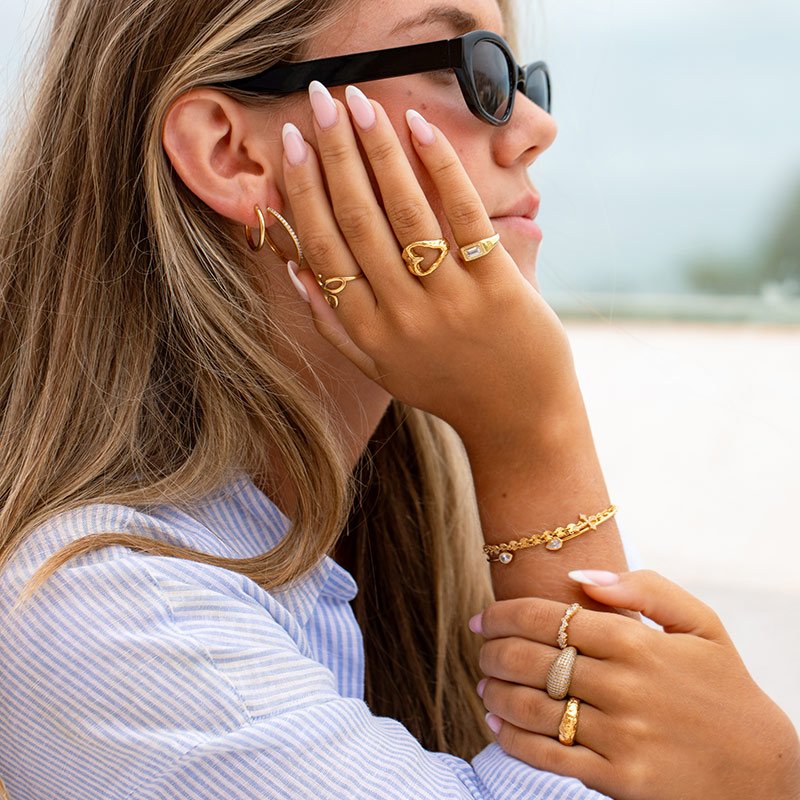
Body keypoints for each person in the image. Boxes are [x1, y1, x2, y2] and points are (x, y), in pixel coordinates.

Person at [0, 0, 797, 798]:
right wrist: (535, 433)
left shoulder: (420, 513)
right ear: (232, 153)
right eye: (471, 70)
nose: (534, 127)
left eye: (521, 79)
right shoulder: (105, 609)